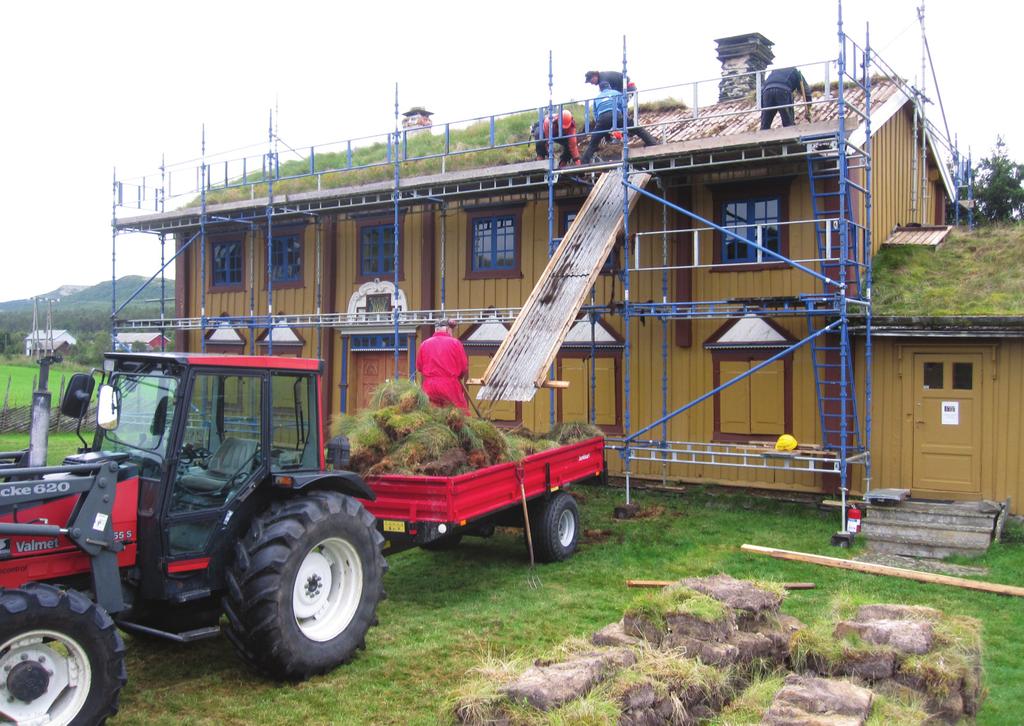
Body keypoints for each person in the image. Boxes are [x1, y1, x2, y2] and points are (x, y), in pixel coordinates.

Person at [584, 70, 660, 148]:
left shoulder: (603, 79)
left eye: (591, 81)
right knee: (617, 111)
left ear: (594, 76)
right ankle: (627, 128)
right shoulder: (602, 78)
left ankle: (628, 129)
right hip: (623, 91)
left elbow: (627, 78)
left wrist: (619, 92)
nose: (592, 84)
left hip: (629, 88)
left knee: (619, 110)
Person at [417, 320, 469, 411]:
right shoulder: (455, 343)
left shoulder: (424, 344)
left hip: (430, 386)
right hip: (450, 386)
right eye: (452, 330)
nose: (452, 333)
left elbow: (419, 367)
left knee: (430, 414)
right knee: (459, 414)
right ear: (447, 329)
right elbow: (463, 367)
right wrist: (458, 376)